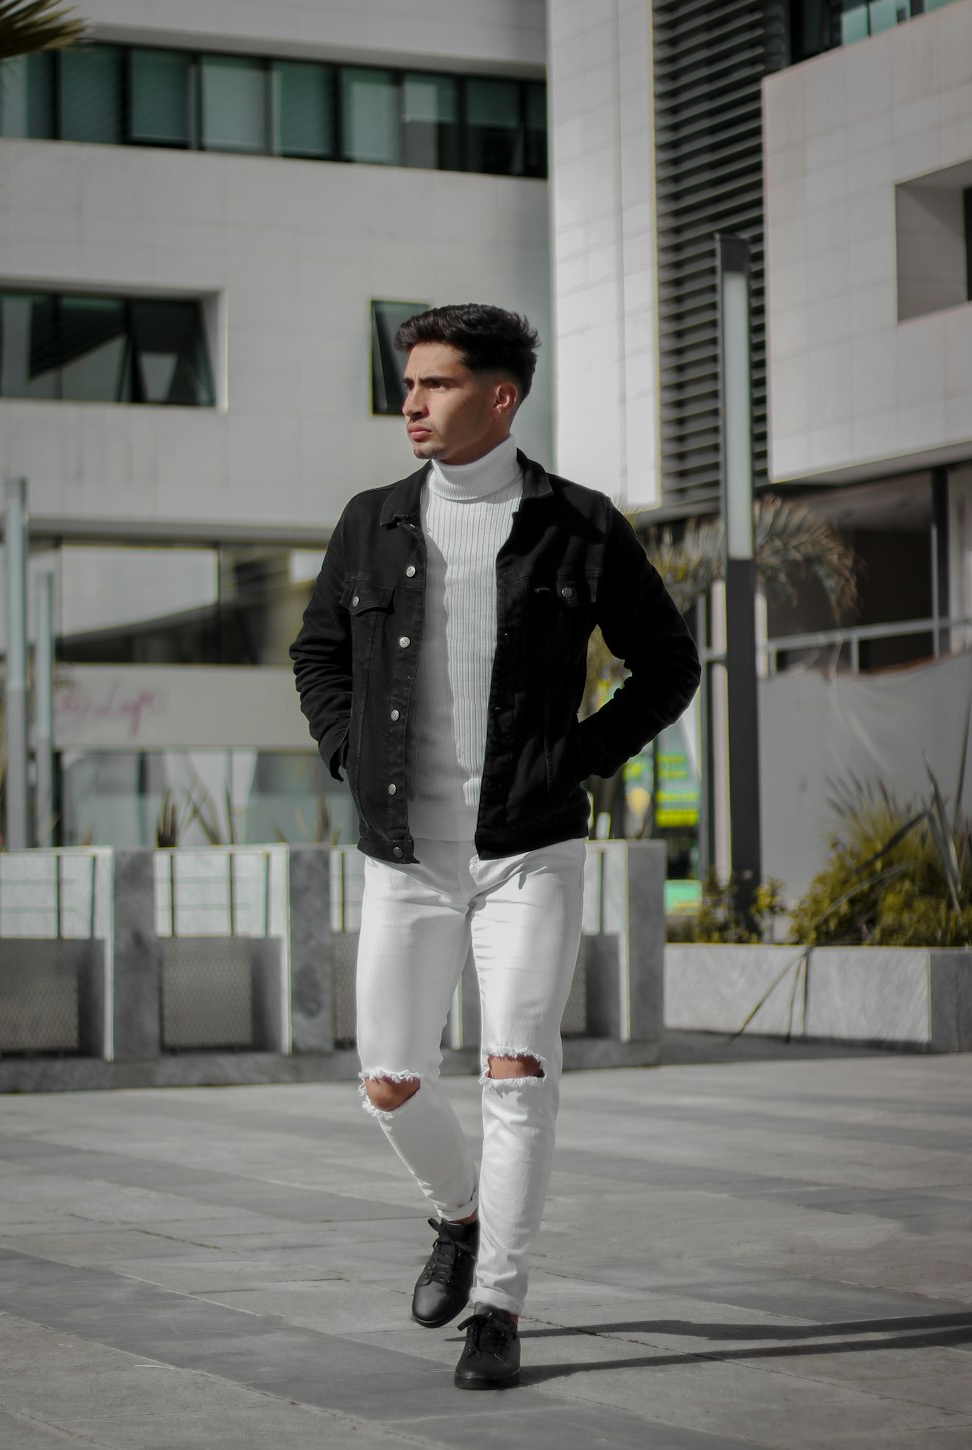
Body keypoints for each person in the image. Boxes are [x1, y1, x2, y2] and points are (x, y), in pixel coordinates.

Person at [290, 303, 700, 1389]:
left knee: (517, 1073)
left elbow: (669, 665)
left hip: (528, 846)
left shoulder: (580, 525)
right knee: (387, 1081)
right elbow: (316, 652)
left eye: (434, 383)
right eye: (408, 384)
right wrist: (345, 750)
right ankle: (456, 1214)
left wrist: (575, 759)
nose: (411, 403)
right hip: (403, 853)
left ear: (500, 395)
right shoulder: (370, 522)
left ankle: (498, 1305)